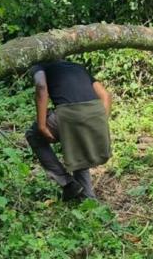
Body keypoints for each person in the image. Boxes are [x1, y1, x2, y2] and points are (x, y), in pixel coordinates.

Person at [25, 60, 112, 201]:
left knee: (33, 135)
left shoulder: (41, 66)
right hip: (95, 112)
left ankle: (67, 182)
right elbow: (106, 96)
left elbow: (41, 86)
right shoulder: (78, 67)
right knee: (78, 145)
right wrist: (101, 121)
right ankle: (87, 200)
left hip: (70, 113)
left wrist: (42, 126)